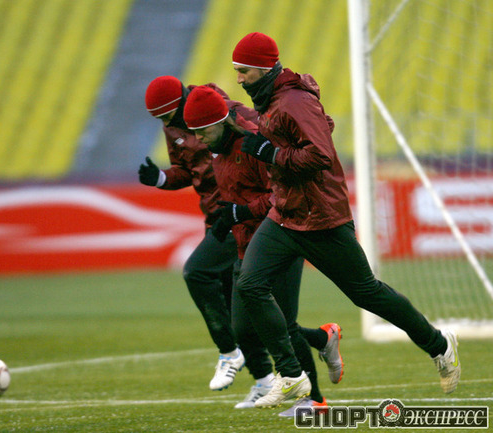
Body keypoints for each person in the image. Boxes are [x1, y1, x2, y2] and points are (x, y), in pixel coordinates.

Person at [229, 32, 461, 409]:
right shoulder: (271, 99)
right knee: (250, 285)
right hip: (285, 214)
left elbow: (320, 155)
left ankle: (439, 345)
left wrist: (271, 154)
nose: (239, 78)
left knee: (366, 293)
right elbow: (317, 127)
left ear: (264, 69)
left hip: (320, 218)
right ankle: (291, 376)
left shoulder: (293, 101)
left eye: (244, 71)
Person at [140, 77, 344, 408]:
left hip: (275, 229)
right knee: (247, 325)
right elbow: (189, 170)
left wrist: (241, 211)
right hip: (231, 225)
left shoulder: (247, 132)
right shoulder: (189, 129)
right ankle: (305, 350)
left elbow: (281, 189)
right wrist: (162, 178)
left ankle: (310, 399)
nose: (194, 138)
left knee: (209, 278)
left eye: (169, 117)